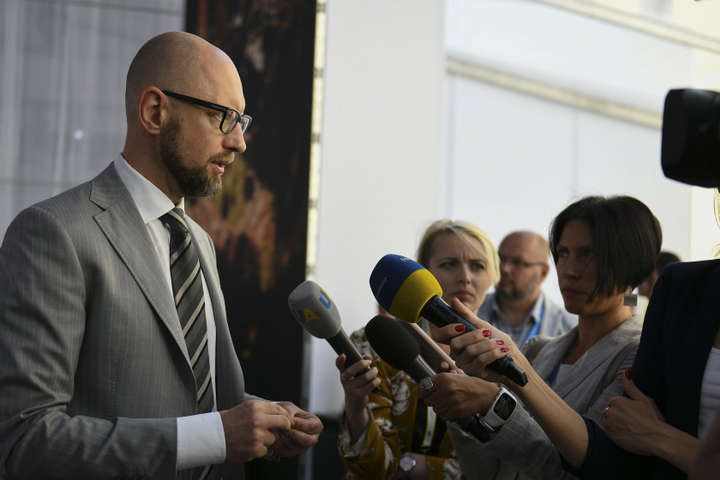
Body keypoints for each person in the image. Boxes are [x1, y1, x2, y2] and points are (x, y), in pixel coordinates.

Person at [0, 31, 322, 479]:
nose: (239, 142)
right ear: (155, 112)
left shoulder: (199, 242)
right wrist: (216, 436)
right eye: (222, 117)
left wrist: (264, 420)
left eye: (241, 121)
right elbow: (25, 439)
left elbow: (188, 399)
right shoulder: (54, 234)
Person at [427, 196, 661, 479]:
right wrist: (465, 405)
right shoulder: (539, 349)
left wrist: (497, 404)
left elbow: (587, 469)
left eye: (589, 255)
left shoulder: (637, 357)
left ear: (630, 264)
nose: (570, 271)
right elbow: (486, 472)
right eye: (563, 253)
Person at [336, 219, 500, 479]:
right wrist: (355, 406)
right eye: (449, 264)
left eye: (477, 266)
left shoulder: (498, 357)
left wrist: (411, 465)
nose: (465, 277)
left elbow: (499, 468)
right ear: (423, 273)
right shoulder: (376, 341)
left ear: (493, 276)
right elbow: (374, 468)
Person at [477, 231, 576, 346]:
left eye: (517, 262)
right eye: (500, 259)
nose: (504, 269)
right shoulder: (472, 310)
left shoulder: (569, 328)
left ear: (543, 273)